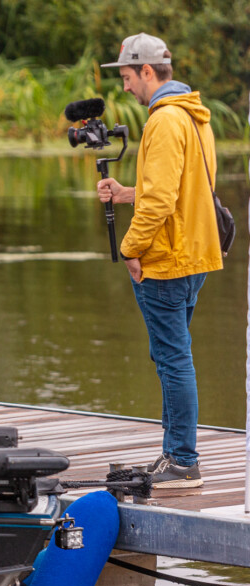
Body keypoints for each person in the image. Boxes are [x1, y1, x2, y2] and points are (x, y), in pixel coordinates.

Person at [96, 33, 223, 489]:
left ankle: (183, 461)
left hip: (167, 260)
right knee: (173, 355)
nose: (126, 87)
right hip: (194, 254)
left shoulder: (165, 120)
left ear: (147, 71)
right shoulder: (193, 115)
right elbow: (180, 190)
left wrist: (130, 247)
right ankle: (173, 454)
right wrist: (127, 193)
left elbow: (162, 202)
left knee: (173, 359)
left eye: (128, 77)